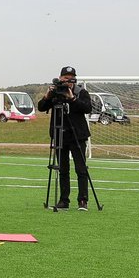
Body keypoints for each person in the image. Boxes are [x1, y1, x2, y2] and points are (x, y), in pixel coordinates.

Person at [36, 65, 93, 211]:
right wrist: (48, 96)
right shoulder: (56, 92)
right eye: (65, 78)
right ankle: (63, 200)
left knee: (81, 169)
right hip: (60, 134)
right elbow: (42, 107)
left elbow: (87, 108)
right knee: (63, 169)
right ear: (60, 78)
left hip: (78, 135)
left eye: (71, 78)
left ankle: (82, 200)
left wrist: (72, 99)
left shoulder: (81, 92)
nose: (68, 81)